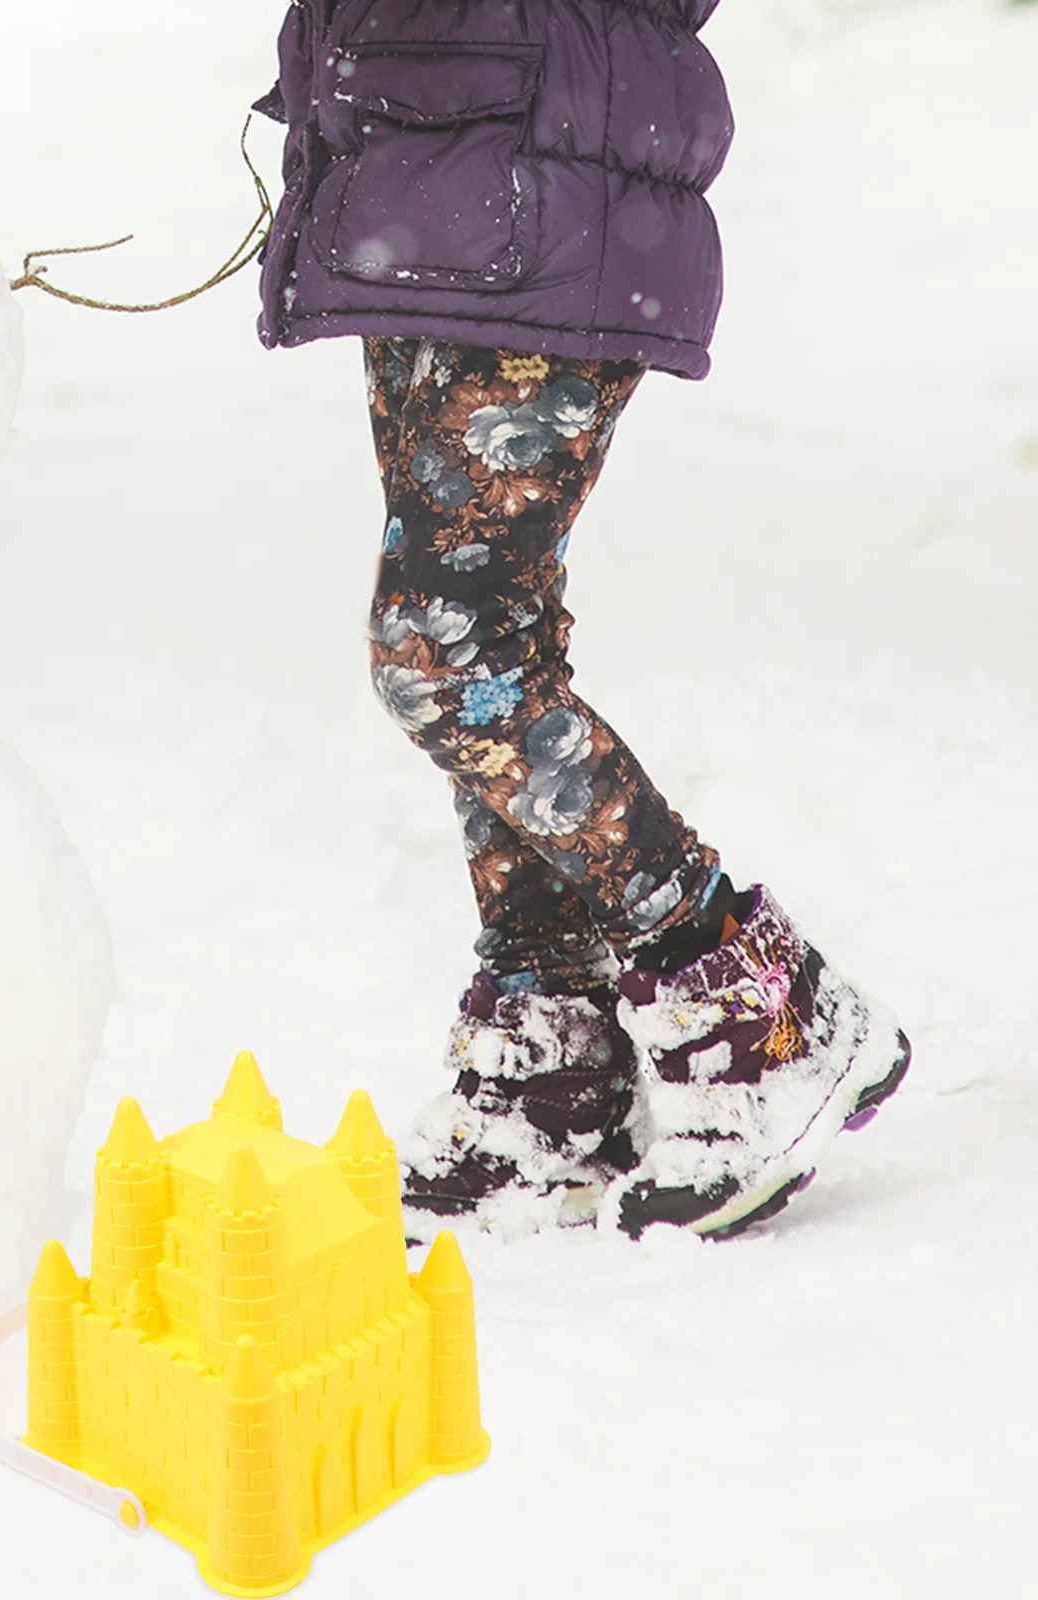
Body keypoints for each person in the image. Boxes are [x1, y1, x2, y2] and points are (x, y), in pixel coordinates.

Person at [253, 0, 909, 1241]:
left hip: (528, 162)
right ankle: (549, 1054)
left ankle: (754, 997)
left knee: (443, 657)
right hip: (424, 152)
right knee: (490, 636)